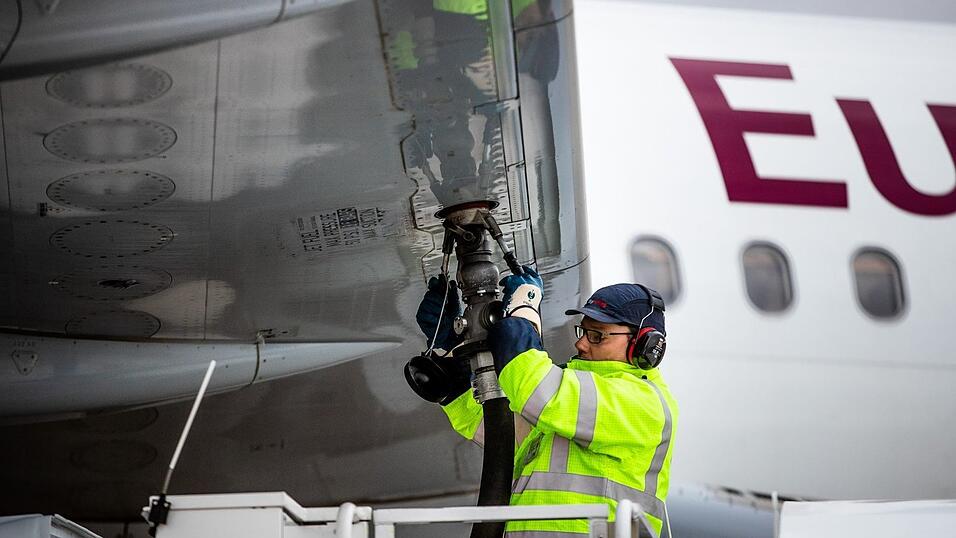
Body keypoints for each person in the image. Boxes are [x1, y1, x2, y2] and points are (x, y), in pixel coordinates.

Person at [416, 268, 679, 536]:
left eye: (597, 335)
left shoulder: (644, 403)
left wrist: (524, 311)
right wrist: (453, 359)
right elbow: (501, 434)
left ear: (645, 345)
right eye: (583, 331)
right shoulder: (572, 405)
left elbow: (538, 391)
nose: (581, 344)